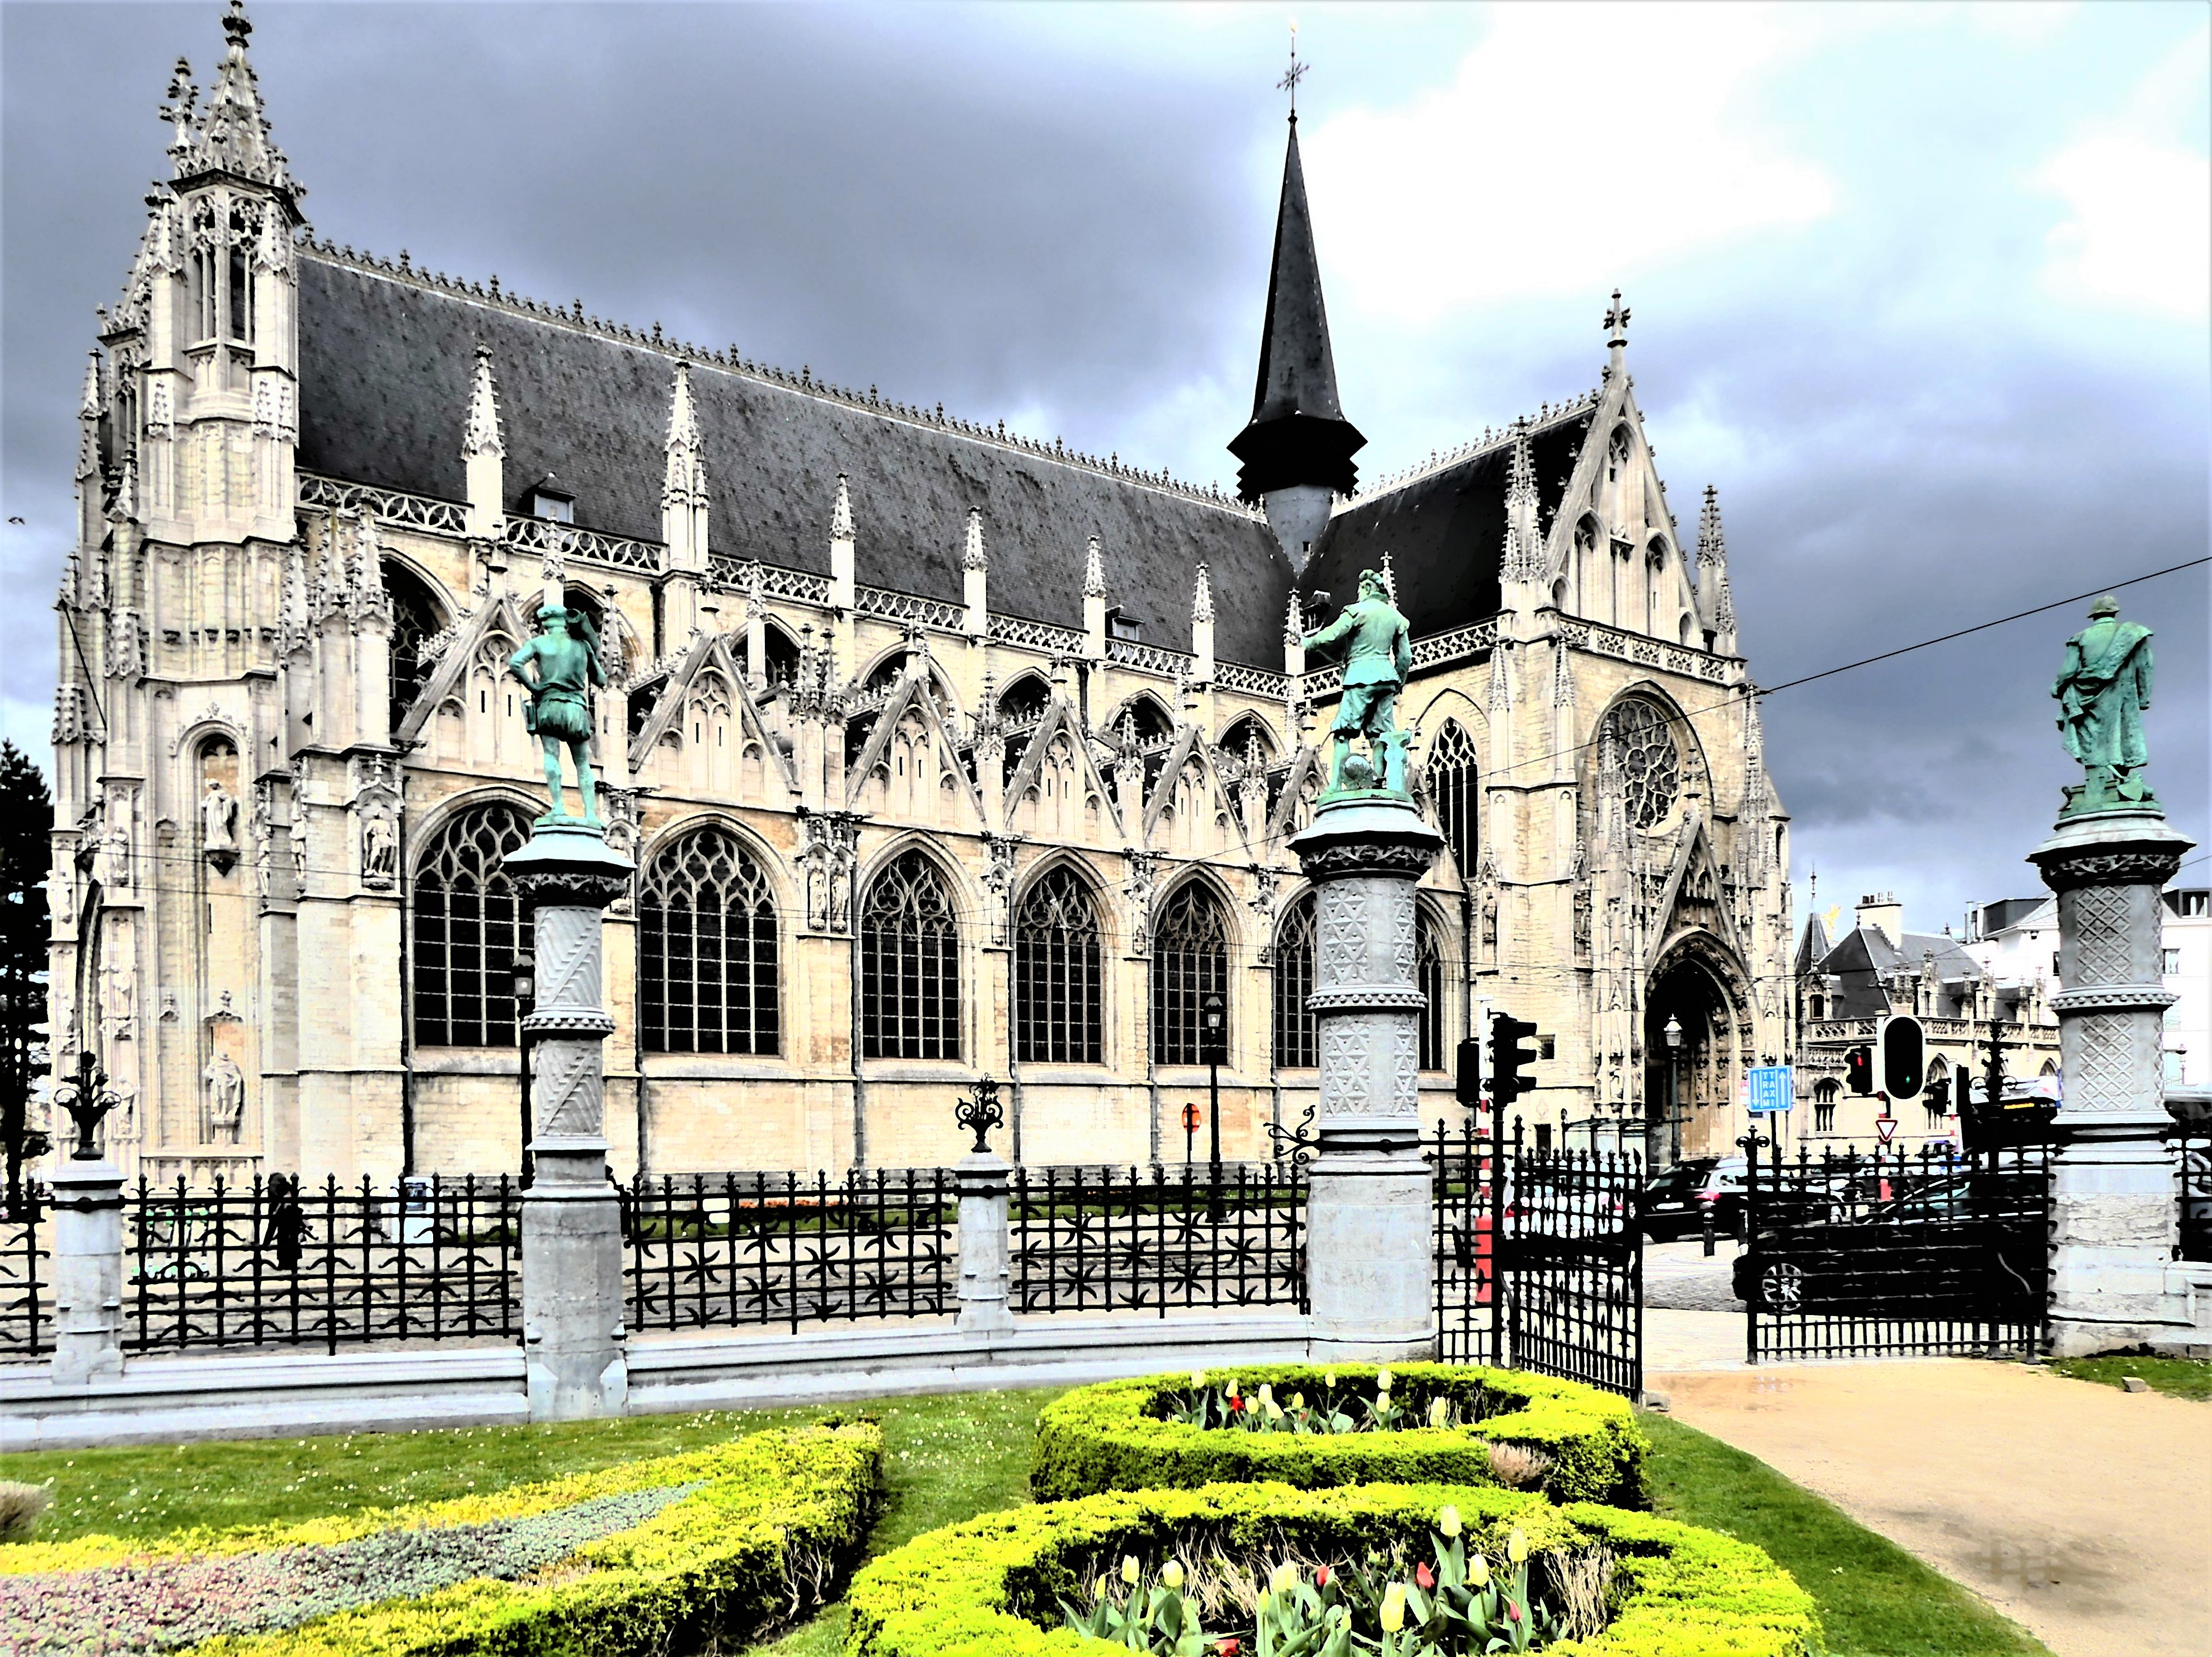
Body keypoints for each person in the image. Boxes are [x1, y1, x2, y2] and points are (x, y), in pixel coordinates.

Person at [1299, 569, 1413, 794]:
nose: (1358, 594)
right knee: (1380, 735)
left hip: (1360, 677)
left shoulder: (1357, 611)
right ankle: (1380, 781)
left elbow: (1332, 634)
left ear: (1368, 589)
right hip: (1387, 678)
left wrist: (1309, 643)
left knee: (1343, 733)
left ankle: (1334, 787)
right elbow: (1405, 657)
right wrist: (1398, 682)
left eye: (1360, 589)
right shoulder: (1396, 618)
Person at [2051, 594, 2154, 811]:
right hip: (2124, 695)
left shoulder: (2081, 638)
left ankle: (2097, 791)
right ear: (2115, 613)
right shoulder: (2134, 635)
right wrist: (2144, 697)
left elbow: (2069, 670)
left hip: (2086, 699)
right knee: (2122, 738)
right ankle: (2119, 784)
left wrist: (2058, 687)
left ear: (2094, 615)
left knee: (2094, 742)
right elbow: (2145, 668)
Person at [506, 605, 607, 824]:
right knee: (582, 763)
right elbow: (601, 680)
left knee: (552, 756)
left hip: (549, 704)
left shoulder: (538, 643)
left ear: (545, 624)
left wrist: (534, 687)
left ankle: (559, 807)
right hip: (576, 708)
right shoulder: (582, 646)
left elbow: (515, 663)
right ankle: (591, 814)